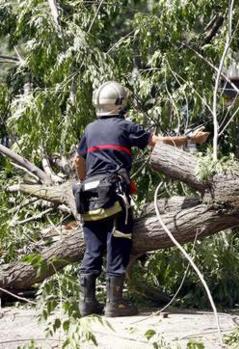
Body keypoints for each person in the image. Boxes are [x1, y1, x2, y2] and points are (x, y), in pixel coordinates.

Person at [73, 81, 209, 317]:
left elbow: (78, 161)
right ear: (120, 103)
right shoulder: (125, 127)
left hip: (88, 197)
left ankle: (86, 304)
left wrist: (86, 183)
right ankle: (114, 303)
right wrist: (189, 140)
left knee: (92, 248)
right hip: (115, 195)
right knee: (119, 241)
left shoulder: (89, 129)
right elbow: (158, 142)